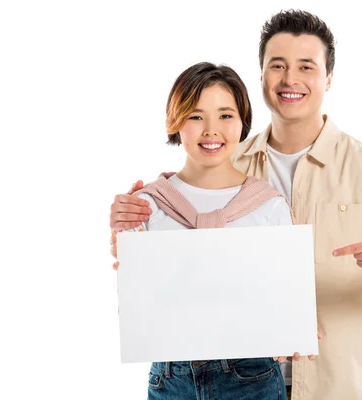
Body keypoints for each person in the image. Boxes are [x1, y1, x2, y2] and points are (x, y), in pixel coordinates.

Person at [110, 10, 362, 400]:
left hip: (336, 385)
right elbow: (174, 254)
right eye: (278, 66)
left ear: (328, 78)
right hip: (233, 375)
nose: (290, 79)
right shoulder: (227, 162)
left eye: (306, 66)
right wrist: (131, 226)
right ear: (262, 77)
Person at [119, 61, 308, 400]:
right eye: (195, 116)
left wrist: (291, 332)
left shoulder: (268, 206)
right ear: (175, 122)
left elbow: (284, 298)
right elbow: (135, 309)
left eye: (225, 115)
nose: (211, 130)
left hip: (251, 377)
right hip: (172, 377)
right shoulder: (148, 204)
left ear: (242, 121)